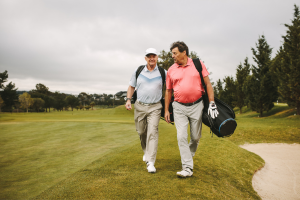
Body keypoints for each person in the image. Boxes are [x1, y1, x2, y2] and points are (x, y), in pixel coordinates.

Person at [164, 41, 218, 177]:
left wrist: (212, 103)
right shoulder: (171, 70)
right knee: (181, 136)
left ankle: (188, 156)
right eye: (172, 54)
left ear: (184, 52)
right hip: (178, 107)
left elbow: (208, 84)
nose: (173, 56)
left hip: (197, 106)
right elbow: (168, 91)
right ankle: (187, 167)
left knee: (195, 137)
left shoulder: (198, 64)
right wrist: (166, 110)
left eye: (175, 53)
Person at [125, 48, 167, 173]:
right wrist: (128, 100)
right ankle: (146, 152)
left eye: (153, 56)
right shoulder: (138, 71)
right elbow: (131, 86)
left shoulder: (162, 72)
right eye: (149, 56)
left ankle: (151, 162)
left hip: (155, 107)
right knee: (141, 131)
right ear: (145, 58)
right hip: (140, 106)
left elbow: (170, 88)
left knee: (152, 132)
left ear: (157, 57)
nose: (151, 58)